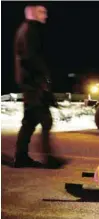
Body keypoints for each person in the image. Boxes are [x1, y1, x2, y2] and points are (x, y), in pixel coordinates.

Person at [13, 5, 66, 168]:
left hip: (30, 83)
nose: (46, 15)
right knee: (45, 120)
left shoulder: (27, 30)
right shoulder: (29, 31)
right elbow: (31, 57)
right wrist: (44, 78)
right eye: (42, 12)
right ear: (33, 13)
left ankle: (21, 157)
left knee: (29, 122)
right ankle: (48, 159)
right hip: (33, 84)